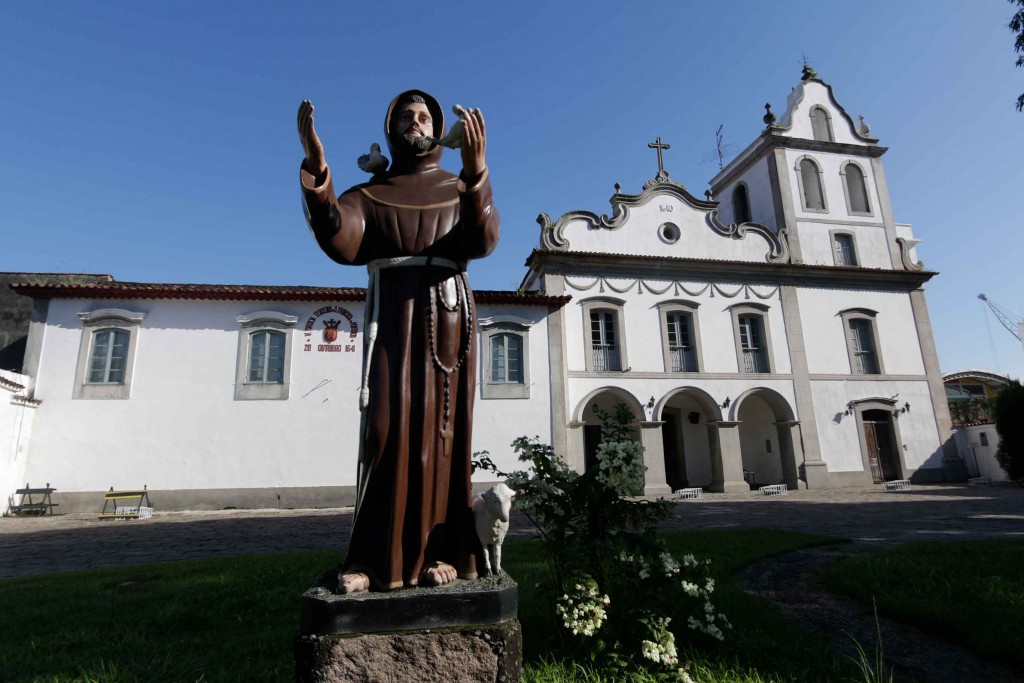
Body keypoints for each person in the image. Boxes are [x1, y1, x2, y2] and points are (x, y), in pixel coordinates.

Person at [297, 90, 499, 593]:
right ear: (391, 128)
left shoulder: (458, 186)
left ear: (438, 130)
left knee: (441, 437)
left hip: (446, 321)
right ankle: (371, 558)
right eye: (406, 116)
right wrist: (318, 173)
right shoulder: (371, 193)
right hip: (391, 321)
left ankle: (442, 552)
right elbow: (341, 239)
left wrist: (476, 174)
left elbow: (482, 240)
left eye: (424, 116)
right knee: (383, 431)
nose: (416, 122)